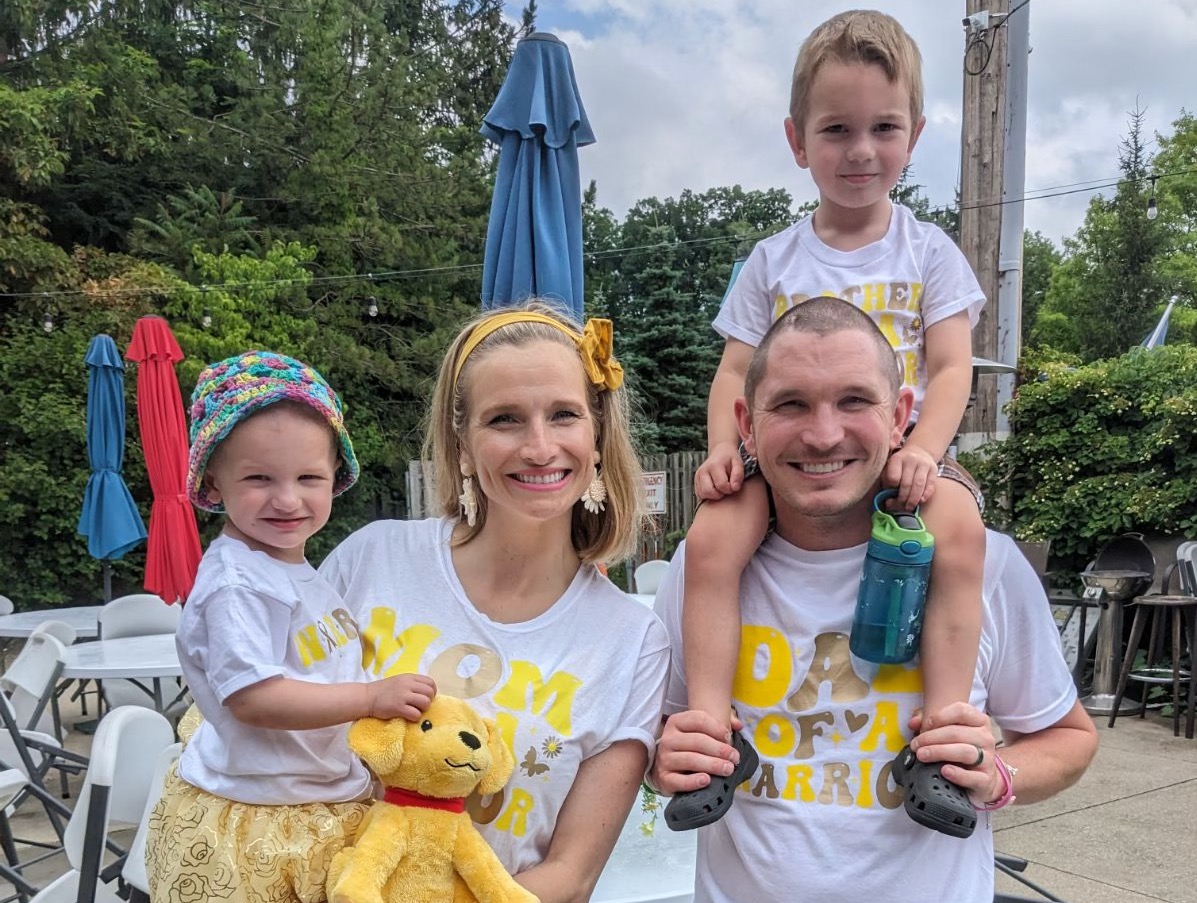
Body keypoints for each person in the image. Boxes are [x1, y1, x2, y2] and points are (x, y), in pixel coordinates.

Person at [651, 297, 1098, 902]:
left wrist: (997, 777)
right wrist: (663, 762)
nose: (823, 433)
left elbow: (1070, 737)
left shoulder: (987, 564)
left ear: (901, 416)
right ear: (746, 423)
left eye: (855, 400)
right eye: (790, 403)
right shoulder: (700, 566)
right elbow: (651, 739)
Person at [671, 9, 989, 833]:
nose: (859, 151)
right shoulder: (773, 258)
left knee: (959, 528)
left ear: (913, 135)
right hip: (788, 467)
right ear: (796, 139)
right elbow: (734, 372)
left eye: (882, 128)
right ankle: (711, 735)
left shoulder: (928, 252)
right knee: (707, 542)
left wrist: (923, 450)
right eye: (836, 129)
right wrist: (721, 449)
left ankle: (942, 741)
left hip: (899, 459)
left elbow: (952, 367)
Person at [319, 302, 670, 903]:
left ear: (597, 434)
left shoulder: (632, 642)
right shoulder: (370, 562)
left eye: (564, 415)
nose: (539, 447)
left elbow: (570, 875)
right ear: (462, 443)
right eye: (504, 419)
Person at [146, 351, 436, 903]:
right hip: (262, 820)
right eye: (259, 478)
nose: (287, 499)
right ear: (214, 481)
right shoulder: (239, 582)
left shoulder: (288, 567)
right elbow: (254, 698)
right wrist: (372, 697)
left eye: (309, 477)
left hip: (309, 796)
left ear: (335, 479)